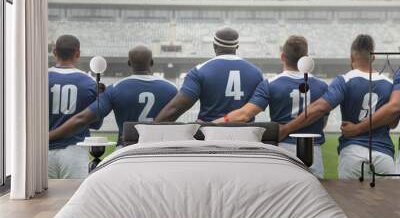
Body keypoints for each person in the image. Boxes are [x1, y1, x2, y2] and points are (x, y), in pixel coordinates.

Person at [280, 34, 396, 179]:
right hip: (383, 155)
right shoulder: (390, 84)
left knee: (349, 201)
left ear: (352, 57)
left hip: (353, 153)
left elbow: (321, 108)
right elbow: (393, 123)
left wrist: (286, 128)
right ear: (373, 58)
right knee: (388, 201)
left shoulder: (344, 80)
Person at [214, 36, 328, 178]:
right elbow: (323, 122)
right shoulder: (322, 86)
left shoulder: (270, 84)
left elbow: (244, 114)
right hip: (313, 150)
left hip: (283, 150)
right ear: (306, 59)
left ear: (282, 57)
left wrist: (213, 123)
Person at [49, 44, 178, 145]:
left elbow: (82, 119)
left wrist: (49, 136)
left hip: (125, 150)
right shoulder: (172, 89)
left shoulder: (115, 89)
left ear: (129, 63)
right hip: (159, 150)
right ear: (152, 63)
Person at [155, 26, 263, 122]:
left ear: (214, 45)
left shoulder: (199, 71)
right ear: (237, 47)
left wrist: (152, 130)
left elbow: (175, 109)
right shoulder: (256, 72)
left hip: (209, 136)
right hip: (247, 136)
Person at [49, 35, 102, 179]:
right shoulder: (90, 83)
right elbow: (96, 124)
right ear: (77, 53)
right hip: (75, 150)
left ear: (54, 52)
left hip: (42, 151)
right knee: (73, 197)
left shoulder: (40, 78)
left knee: (41, 199)